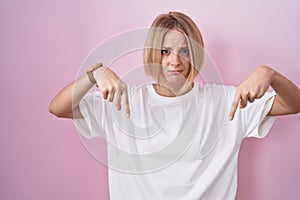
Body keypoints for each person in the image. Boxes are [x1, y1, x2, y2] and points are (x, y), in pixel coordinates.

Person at [49, 11, 300, 200]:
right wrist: (94, 74)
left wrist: (270, 74)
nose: (175, 61)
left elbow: (293, 105)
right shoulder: (124, 100)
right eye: (165, 51)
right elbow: (58, 108)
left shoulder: (224, 103)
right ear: (152, 54)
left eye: (185, 52)